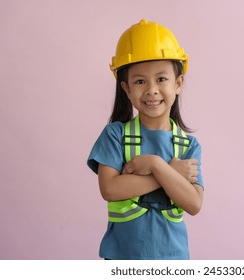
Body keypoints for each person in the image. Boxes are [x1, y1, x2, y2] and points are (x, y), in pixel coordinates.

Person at [87, 19, 204, 260]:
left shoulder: (188, 146)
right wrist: (170, 174)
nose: (151, 89)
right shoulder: (115, 136)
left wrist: (156, 164)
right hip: (121, 260)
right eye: (140, 81)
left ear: (178, 83)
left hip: (173, 261)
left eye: (161, 79)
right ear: (127, 89)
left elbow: (193, 203)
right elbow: (109, 188)